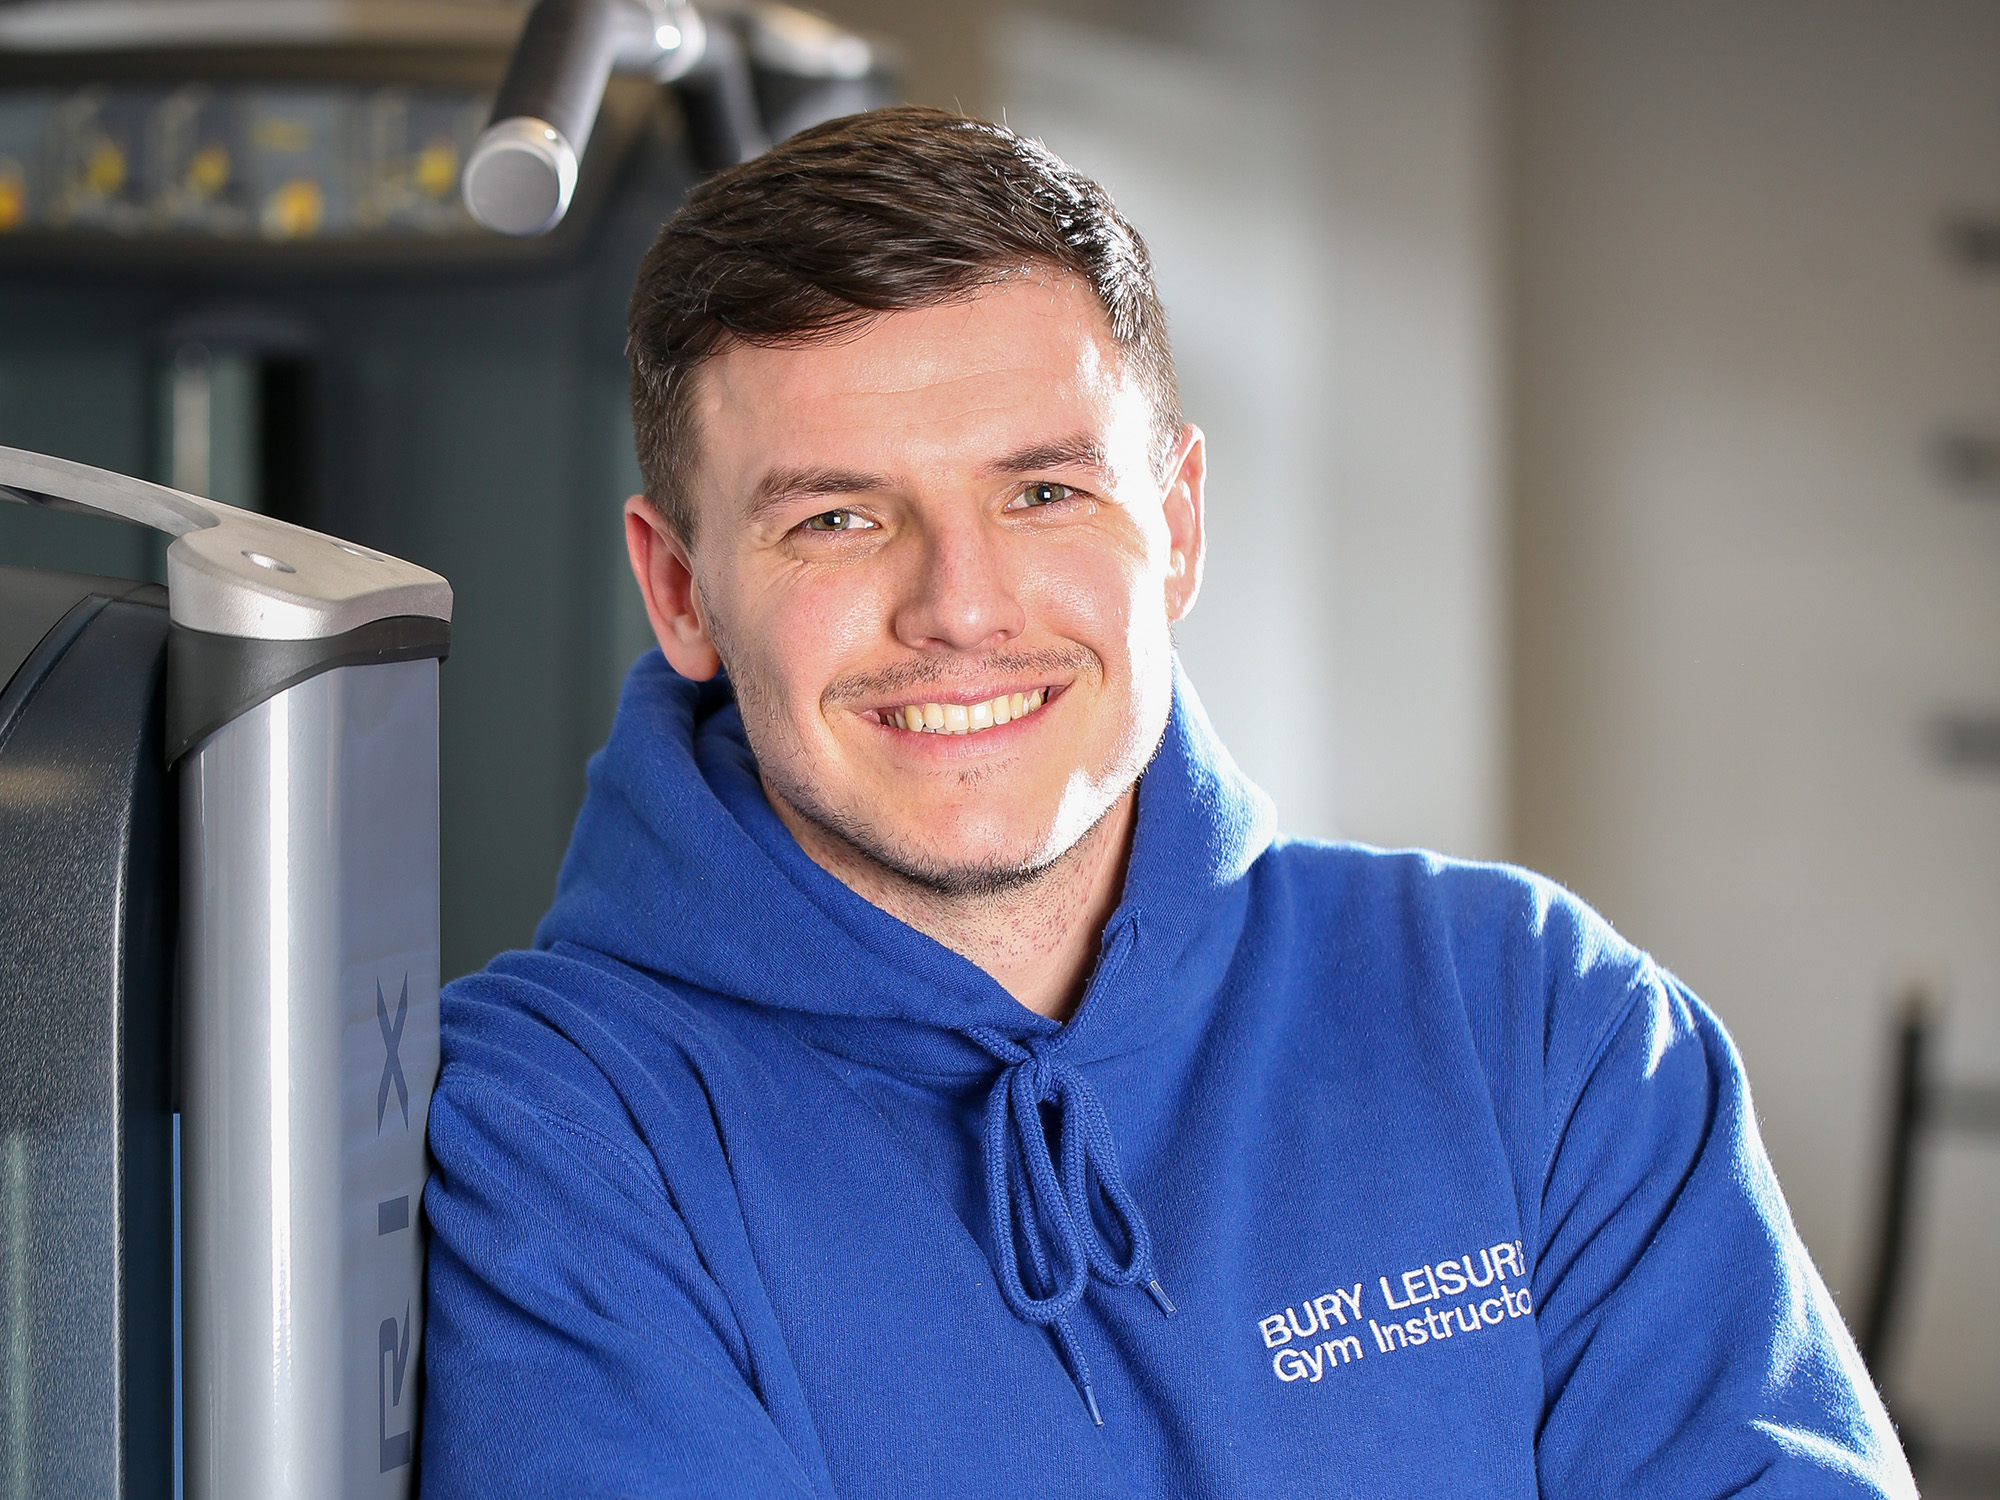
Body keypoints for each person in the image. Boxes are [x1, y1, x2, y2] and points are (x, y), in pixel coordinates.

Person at [419, 106, 1913, 1498]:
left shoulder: (1529, 1019)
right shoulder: (550, 1135)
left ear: (1178, 524)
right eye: (838, 517)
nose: (961, 606)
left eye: (1044, 493)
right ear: (682, 590)